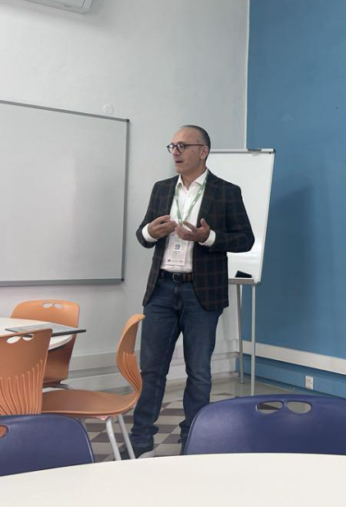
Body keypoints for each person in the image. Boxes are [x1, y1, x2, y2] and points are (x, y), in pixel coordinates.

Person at [122, 125, 254, 459]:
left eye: (183, 145)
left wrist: (209, 238)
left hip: (201, 293)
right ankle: (140, 439)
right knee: (152, 369)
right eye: (173, 146)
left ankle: (195, 437)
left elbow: (245, 238)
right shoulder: (162, 188)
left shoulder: (226, 192)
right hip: (162, 289)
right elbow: (143, 234)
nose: (176, 152)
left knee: (198, 372)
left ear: (203, 151)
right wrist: (150, 232)